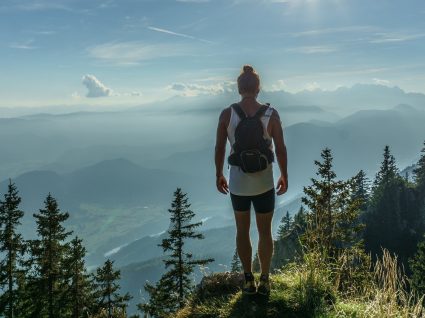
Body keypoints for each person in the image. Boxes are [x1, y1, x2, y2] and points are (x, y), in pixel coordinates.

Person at [214, 65, 288, 295]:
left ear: (239, 88)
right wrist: (284, 174)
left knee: (242, 230)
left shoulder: (227, 114)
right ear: (258, 88)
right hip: (264, 182)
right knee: (265, 232)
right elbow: (281, 148)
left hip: (238, 184)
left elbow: (219, 147)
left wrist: (219, 174)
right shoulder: (271, 114)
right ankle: (264, 279)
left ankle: (248, 280)